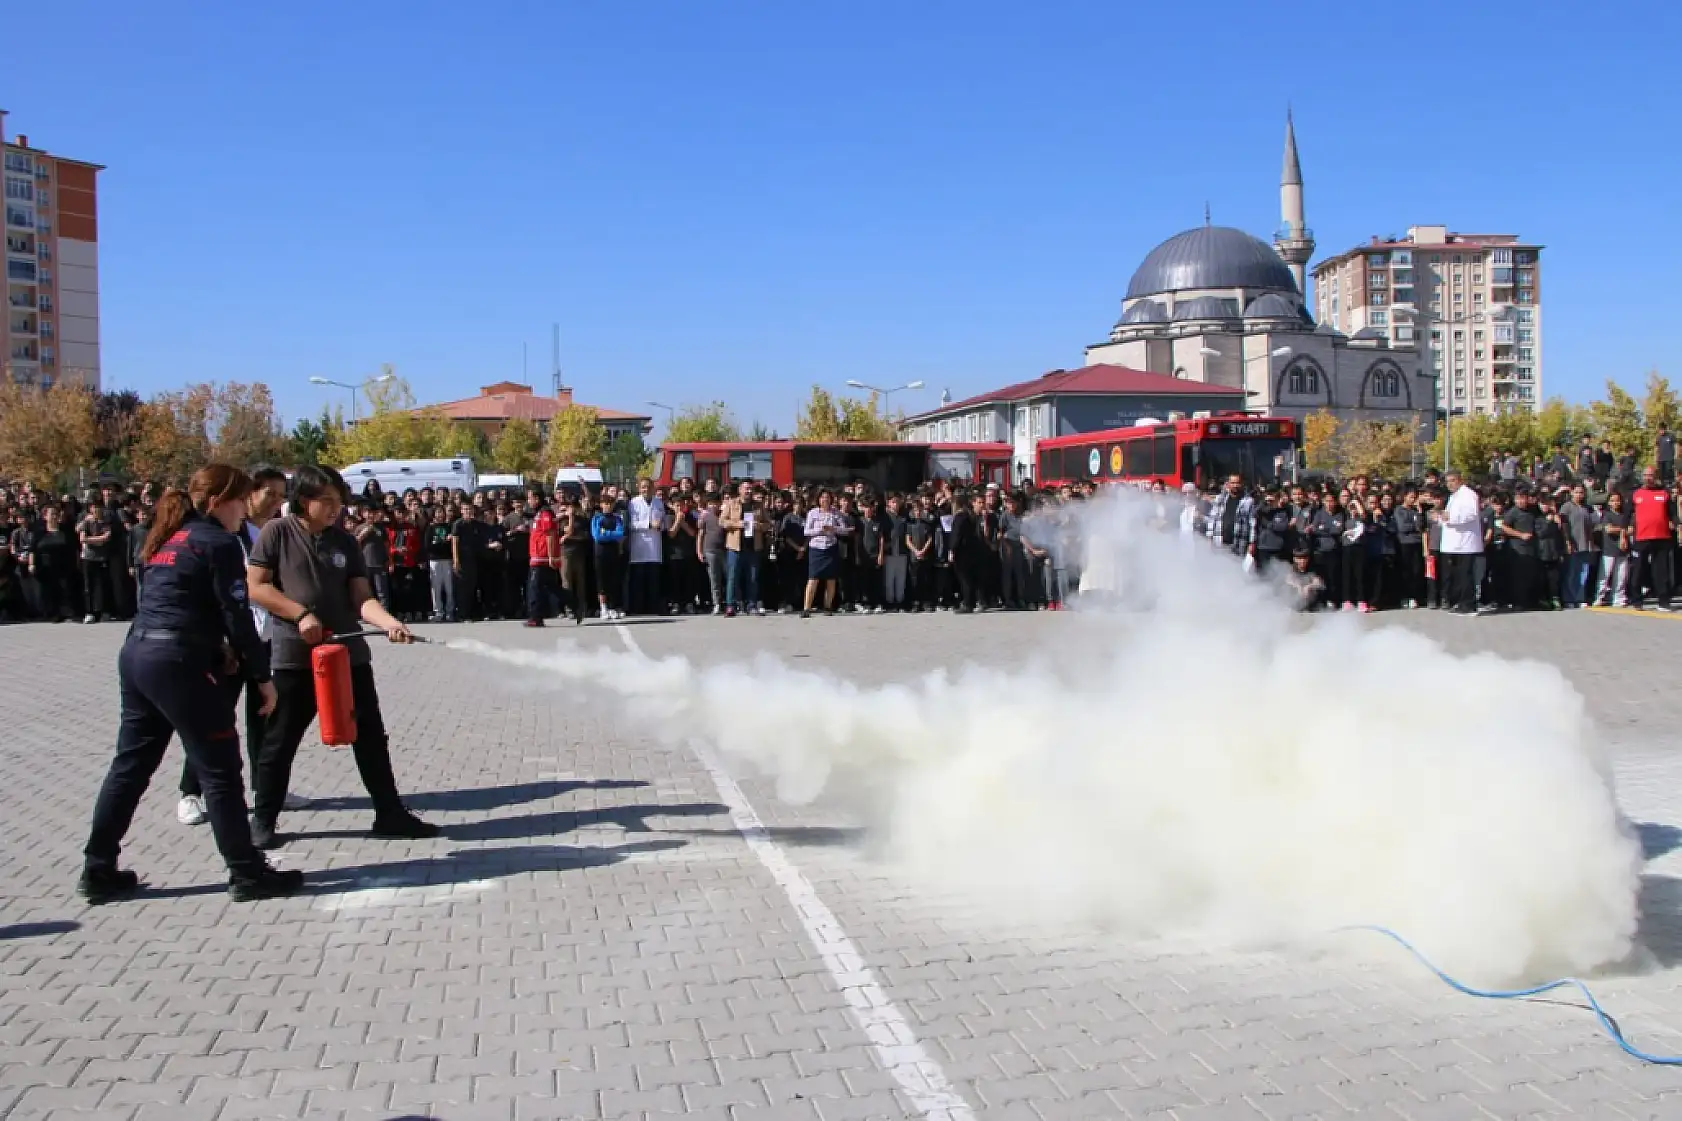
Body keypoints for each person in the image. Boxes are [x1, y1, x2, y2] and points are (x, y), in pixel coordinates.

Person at [80, 465, 303, 904]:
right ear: (220, 501)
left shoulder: (167, 539)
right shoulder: (217, 543)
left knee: (130, 765)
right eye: (242, 500)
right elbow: (237, 617)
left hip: (139, 654)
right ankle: (246, 872)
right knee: (219, 769)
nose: (246, 510)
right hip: (179, 663)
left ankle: (97, 868)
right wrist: (262, 678)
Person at [245, 465, 437, 849]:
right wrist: (299, 614)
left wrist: (387, 622)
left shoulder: (345, 541)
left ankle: (389, 813)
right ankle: (263, 820)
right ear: (304, 501)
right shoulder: (276, 533)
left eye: (339, 502)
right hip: (295, 657)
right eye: (327, 502)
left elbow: (361, 597)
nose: (336, 510)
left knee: (370, 737)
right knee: (280, 741)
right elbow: (256, 587)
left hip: (348, 656)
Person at [178, 466, 296, 826]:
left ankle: (265, 787)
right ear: (249, 494)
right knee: (215, 717)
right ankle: (190, 791)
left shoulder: (274, 533)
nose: (276, 502)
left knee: (265, 715)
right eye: (269, 494)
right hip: (230, 643)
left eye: (281, 496)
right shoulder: (230, 534)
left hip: (264, 635)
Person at [1439, 471, 1483, 616]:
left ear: (1460, 480)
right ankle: (1460, 602)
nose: (1450, 484)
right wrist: (1441, 517)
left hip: (1465, 543)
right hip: (1454, 543)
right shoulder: (1454, 496)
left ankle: (1469, 605)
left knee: (1465, 575)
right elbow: (1447, 517)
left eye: (1453, 480)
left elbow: (1471, 514)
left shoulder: (1468, 494)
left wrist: (1449, 517)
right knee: (1457, 575)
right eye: (1447, 481)